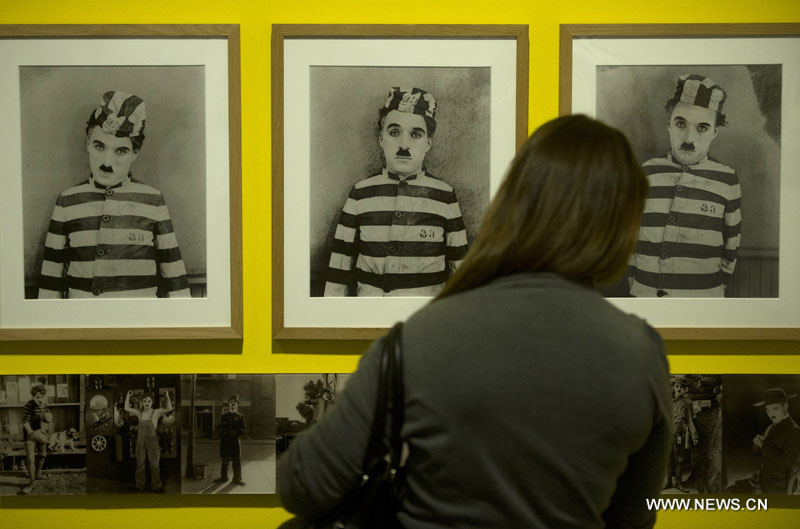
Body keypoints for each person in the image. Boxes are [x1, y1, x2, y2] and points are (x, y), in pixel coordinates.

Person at [279, 115, 672, 528]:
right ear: (620, 226)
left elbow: (302, 485)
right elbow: (635, 519)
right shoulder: (640, 352)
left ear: (512, 206)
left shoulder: (419, 338)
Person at [38, 90, 191, 299]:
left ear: (135, 154)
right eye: (99, 146)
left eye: (121, 151)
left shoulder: (153, 201)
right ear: (87, 145)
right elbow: (50, 281)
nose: (107, 163)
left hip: (138, 325)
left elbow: (175, 278)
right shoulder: (67, 202)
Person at [323, 86, 468, 297]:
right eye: (394, 132)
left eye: (416, 134)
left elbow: (461, 269)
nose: (404, 145)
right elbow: (340, 265)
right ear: (381, 139)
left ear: (428, 143)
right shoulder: (360, 194)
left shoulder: (444, 196)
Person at [629, 74, 741, 297]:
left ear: (714, 132)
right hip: (646, 295)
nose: (689, 137)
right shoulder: (646, 172)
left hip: (703, 300)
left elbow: (732, 243)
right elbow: (630, 236)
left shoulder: (727, 179)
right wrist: (637, 285)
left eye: (702, 128)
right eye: (681, 123)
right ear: (669, 124)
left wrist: (714, 290)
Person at [725, 388, 800, 493]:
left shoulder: (794, 431)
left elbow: (785, 462)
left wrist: (763, 445)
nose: (771, 414)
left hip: (778, 484)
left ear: (785, 406)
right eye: (768, 410)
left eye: (775, 408)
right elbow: (758, 452)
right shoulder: (772, 427)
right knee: (730, 489)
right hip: (760, 478)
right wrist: (757, 444)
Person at [125, 389, 173, 491]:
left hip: (152, 441)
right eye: (145, 401)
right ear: (142, 402)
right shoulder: (139, 413)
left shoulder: (156, 412)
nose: (146, 403)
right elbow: (126, 408)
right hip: (141, 441)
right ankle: (140, 484)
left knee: (154, 464)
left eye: (149, 401)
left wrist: (167, 396)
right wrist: (128, 396)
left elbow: (169, 408)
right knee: (140, 464)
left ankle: (156, 484)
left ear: (152, 402)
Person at [666, 377, 699, 492]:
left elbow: (690, 420)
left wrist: (694, 436)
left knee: (680, 458)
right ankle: (667, 482)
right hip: (670, 432)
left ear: (685, 389)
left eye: (681, 387)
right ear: (674, 388)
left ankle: (679, 483)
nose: (679, 389)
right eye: (677, 386)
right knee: (668, 457)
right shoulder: (669, 403)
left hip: (682, 433)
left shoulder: (686, 403)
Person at [19, 384, 53, 495]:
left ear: (44, 397)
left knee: (43, 454)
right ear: (33, 397)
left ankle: (38, 473)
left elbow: (48, 419)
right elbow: (25, 422)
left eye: (41, 397)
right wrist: (31, 432)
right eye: (37, 397)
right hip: (30, 435)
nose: (39, 399)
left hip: (40, 433)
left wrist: (48, 418)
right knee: (30, 459)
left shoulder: (44, 405)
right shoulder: (28, 406)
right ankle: (31, 483)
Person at [215, 394, 247, 486]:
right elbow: (219, 427)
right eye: (231, 402)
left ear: (237, 404)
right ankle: (224, 477)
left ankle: (237, 479)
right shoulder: (224, 416)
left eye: (234, 402)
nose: (232, 404)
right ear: (228, 404)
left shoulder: (240, 416)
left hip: (235, 442)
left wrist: (237, 432)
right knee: (225, 460)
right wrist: (221, 431)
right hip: (225, 441)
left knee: (236, 460)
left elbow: (244, 430)